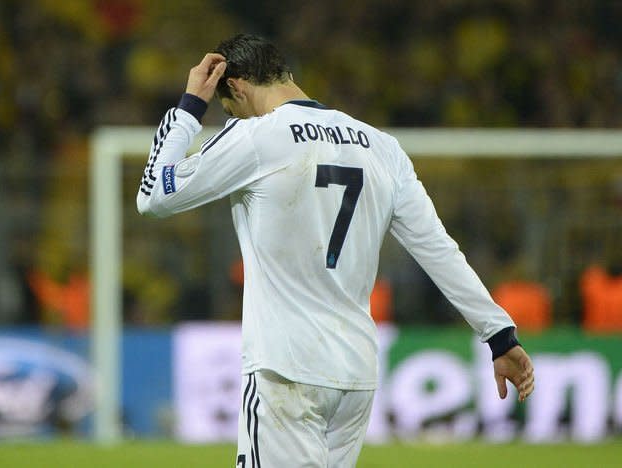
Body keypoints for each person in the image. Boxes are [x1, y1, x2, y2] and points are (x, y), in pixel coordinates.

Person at [137, 34, 534, 468]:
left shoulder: (257, 136)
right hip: (354, 377)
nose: (231, 116)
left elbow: (154, 194)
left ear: (236, 87)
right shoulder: (382, 147)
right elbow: (438, 249)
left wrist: (191, 105)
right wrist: (499, 336)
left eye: (228, 107)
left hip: (285, 369)